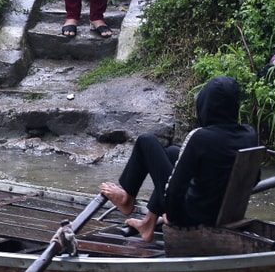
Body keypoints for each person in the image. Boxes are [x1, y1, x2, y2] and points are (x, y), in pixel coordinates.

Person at [100, 76, 259, 242]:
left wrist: (173, 216)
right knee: (172, 153)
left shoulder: (200, 138)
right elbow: (254, 179)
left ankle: (126, 199)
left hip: (189, 217)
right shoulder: (249, 134)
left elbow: (175, 188)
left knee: (146, 141)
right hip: (224, 213)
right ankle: (148, 224)